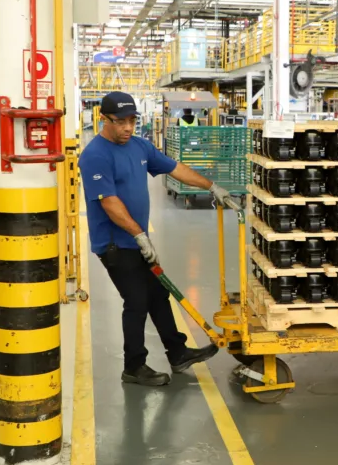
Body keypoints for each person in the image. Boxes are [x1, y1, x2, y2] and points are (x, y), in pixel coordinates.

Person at [80, 91, 240, 386]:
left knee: (157, 294)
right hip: (115, 244)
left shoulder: (140, 146)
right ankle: (133, 367)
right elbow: (110, 203)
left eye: (132, 121)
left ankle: (178, 353)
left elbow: (175, 168)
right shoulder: (95, 156)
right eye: (121, 122)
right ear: (104, 119)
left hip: (136, 240)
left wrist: (212, 186)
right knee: (137, 301)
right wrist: (139, 235)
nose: (128, 128)